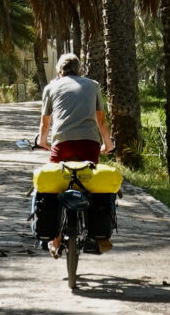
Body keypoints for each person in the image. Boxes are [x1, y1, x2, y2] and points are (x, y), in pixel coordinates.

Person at [36, 53, 113, 255]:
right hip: (89, 143)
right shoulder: (93, 85)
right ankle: (96, 236)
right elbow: (101, 121)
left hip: (63, 144)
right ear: (79, 70)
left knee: (53, 186)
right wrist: (108, 144)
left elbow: (45, 123)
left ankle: (54, 240)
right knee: (92, 184)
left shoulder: (50, 87)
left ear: (59, 71)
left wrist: (42, 142)